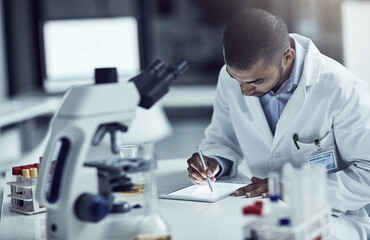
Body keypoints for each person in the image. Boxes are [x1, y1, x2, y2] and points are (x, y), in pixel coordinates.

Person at [186, 8, 370, 239]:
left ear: (288, 56)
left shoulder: (342, 89)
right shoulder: (232, 77)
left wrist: (289, 190)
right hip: (261, 209)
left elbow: (367, 172)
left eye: (256, 81)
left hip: (330, 214)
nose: (244, 91)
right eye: (236, 79)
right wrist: (214, 162)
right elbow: (222, 138)